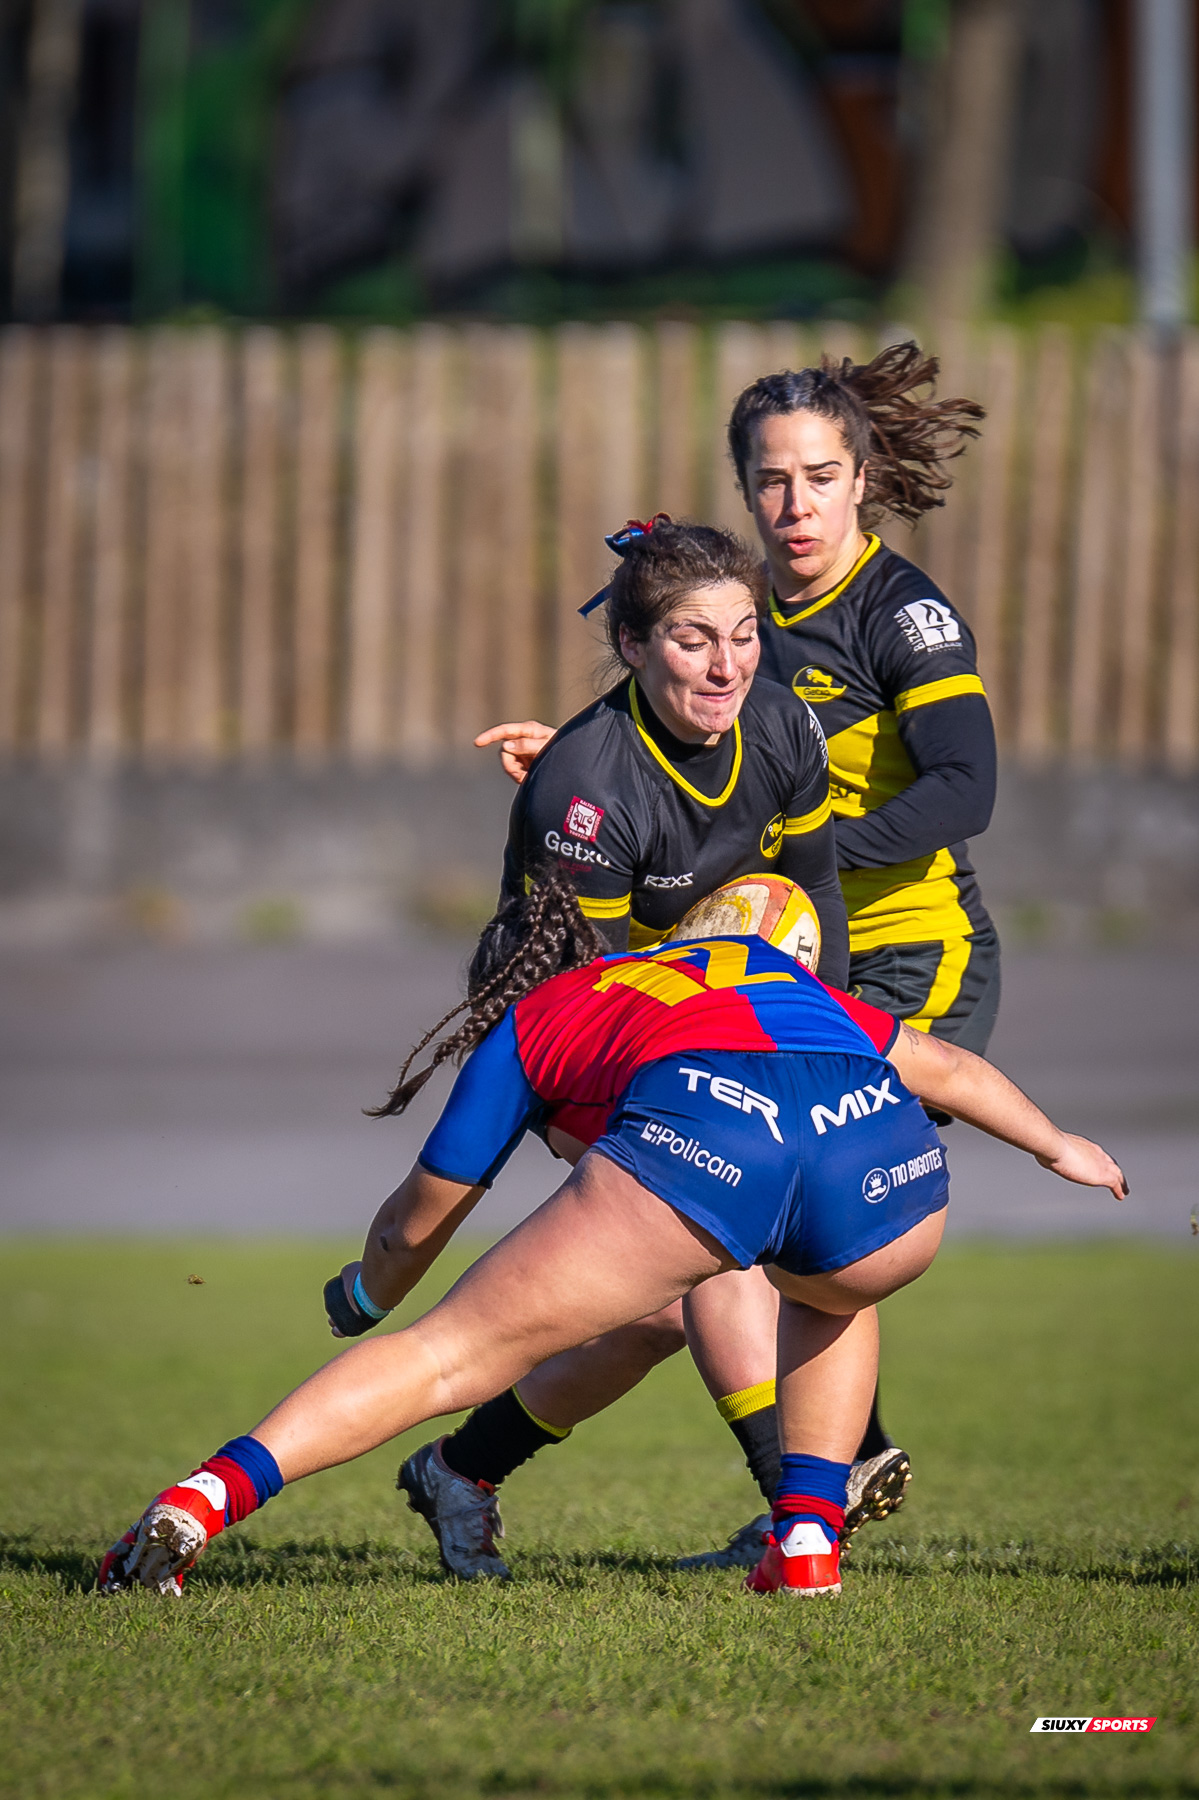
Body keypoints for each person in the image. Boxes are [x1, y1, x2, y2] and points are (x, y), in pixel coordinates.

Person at [99, 870, 1125, 1603]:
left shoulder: (546, 1011)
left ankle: (203, 1497)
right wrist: (1056, 1146)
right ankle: (805, 1541)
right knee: (825, 1290)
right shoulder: (780, 980)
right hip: (883, 1158)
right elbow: (943, 1069)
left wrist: (365, 1294)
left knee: (442, 1357)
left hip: (710, 1132)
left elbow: (420, 1221)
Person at [470, 341, 994, 1571]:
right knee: (687, 1265)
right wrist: (587, 766)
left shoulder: (898, 613)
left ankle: (808, 1490)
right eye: (770, 481)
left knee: (748, 1232)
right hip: (783, 965)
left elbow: (965, 787)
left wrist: (787, 855)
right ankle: (487, 1470)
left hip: (905, 961)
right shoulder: (735, 612)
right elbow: (697, 751)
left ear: (862, 478)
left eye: (818, 476)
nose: (793, 505)